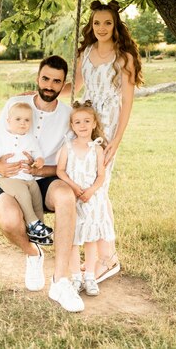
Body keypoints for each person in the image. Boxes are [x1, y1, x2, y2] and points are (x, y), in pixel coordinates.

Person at [0, 55, 85, 313]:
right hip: (13, 177)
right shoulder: (15, 104)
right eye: (45, 78)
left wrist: (44, 169)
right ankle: (33, 253)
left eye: (57, 81)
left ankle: (60, 282)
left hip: (46, 178)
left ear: (64, 84)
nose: (49, 85)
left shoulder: (67, 115)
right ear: (37, 77)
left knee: (65, 197)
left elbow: (67, 161)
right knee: (9, 221)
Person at [62, 0, 143, 282]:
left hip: (106, 129)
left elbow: (127, 103)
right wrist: (40, 95)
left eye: (107, 22)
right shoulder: (85, 53)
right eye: (97, 23)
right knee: (85, 187)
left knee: (98, 188)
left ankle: (106, 260)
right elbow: (74, 88)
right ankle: (101, 256)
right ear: (91, 25)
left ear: (116, 25)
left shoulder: (124, 58)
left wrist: (115, 141)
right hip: (84, 126)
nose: (102, 28)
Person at [56, 100, 115, 297]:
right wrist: (74, 187)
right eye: (77, 122)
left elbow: (101, 176)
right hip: (74, 198)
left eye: (86, 121)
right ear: (72, 125)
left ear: (94, 124)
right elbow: (61, 171)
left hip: (91, 199)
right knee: (73, 238)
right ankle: (75, 277)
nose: (82, 126)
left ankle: (89, 275)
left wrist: (90, 191)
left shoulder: (97, 149)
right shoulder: (68, 147)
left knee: (90, 238)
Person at [0, 101, 53, 245]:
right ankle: (32, 222)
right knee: (23, 193)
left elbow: (37, 153)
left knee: (36, 196)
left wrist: (39, 160)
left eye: (27, 120)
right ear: (8, 121)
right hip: (8, 178)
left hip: (27, 177)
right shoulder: (1, 136)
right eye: (18, 119)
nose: (23, 123)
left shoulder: (30, 138)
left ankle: (38, 231)